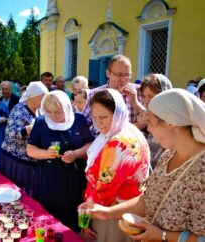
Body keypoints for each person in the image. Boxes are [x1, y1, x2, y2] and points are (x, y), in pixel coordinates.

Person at [79, 89, 205, 242]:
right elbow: (148, 199)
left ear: (172, 123)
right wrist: (107, 212)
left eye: (151, 122)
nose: (149, 129)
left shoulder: (201, 170)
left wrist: (161, 235)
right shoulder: (168, 156)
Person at [82, 89, 150, 242]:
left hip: (111, 214)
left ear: (117, 112)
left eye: (104, 117)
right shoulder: (129, 129)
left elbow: (104, 189)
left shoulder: (117, 143)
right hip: (128, 212)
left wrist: (86, 215)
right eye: (94, 117)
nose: (98, 123)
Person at [27, 91, 94, 232]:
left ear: (67, 107)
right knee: (47, 216)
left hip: (73, 179)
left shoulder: (79, 120)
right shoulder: (41, 122)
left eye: (57, 112)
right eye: (49, 112)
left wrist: (76, 154)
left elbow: (90, 145)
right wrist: (46, 153)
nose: (53, 117)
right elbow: (30, 149)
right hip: (47, 178)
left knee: (70, 216)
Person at [0, 81, 49, 193]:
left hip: (30, 161)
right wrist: (29, 128)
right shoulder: (19, 109)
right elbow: (10, 134)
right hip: (15, 161)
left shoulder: (39, 110)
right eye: (42, 98)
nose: (44, 101)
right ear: (32, 96)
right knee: (14, 193)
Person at [83, 55, 145, 137]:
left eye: (127, 75)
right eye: (119, 74)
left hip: (131, 144)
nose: (122, 79)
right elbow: (85, 123)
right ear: (108, 73)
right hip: (102, 143)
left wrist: (135, 102)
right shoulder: (95, 94)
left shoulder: (139, 91)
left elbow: (148, 119)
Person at [136, 74, 173, 168]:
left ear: (163, 94)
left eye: (151, 96)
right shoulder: (149, 114)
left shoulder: (173, 118)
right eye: (144, 96)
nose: (146, 101)